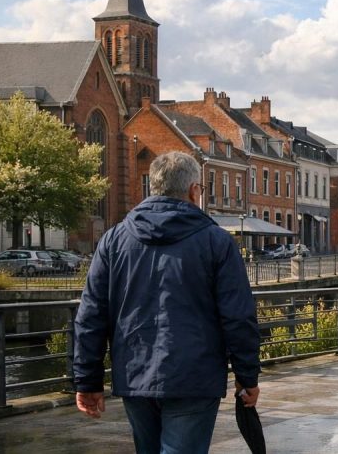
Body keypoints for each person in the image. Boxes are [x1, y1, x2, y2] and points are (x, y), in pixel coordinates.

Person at [74, 152, 261, 454]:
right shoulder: (217, 241)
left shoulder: (114, 240)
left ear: (153, 188)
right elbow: (238, 316)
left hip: (135, 374)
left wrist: (87, 379)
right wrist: (247, 375)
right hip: (194, 377)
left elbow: (91, 315)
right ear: (193, 191)